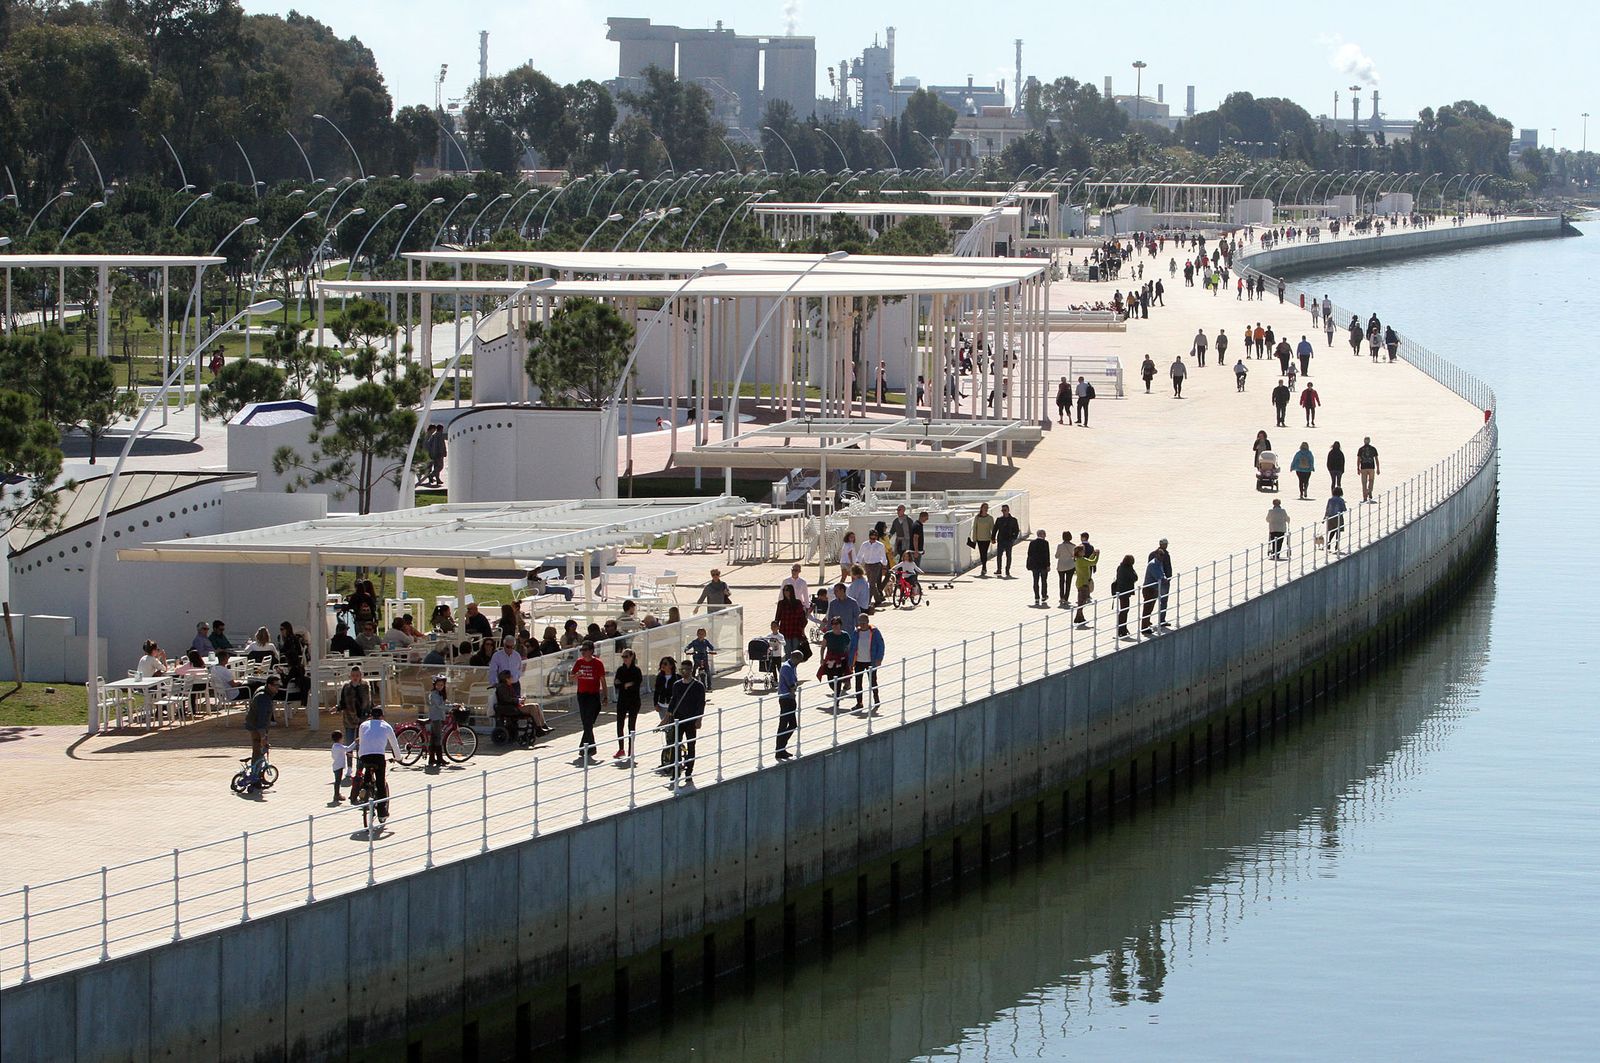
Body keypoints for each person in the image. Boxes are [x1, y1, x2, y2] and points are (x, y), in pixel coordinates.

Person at [352, 706, 402, 834]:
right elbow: (394, 744)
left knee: (368, 772)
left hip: (364, 756)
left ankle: (365, 788)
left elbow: (363, 740)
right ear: (382, 716)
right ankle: (381, 813)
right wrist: (398, 758)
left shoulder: (363, 725)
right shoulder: (386, 726)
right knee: (380, 784)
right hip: (379, 756)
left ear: (370, 716)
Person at [663, 658, 705, 783]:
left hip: (691, 720)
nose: (684, 672)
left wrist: (699, 719)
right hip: (678, 719)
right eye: (682, 670)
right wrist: (667, 717)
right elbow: (673, 701)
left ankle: (689, 772)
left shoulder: (698, 686)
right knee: (675, 745)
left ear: (691, 670)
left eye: (686, 670)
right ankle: (675, 773)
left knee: (691, 746)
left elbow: (701, 704)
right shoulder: (677, 685)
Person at [571, 641, 608, 761]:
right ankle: (589, 746)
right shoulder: (579, 662)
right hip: (582, 695)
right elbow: (571, 677)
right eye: (582, 650)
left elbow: (603, 680)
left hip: (593, 695)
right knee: (585, 721)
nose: (583, 652)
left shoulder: (598, 663)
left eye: (586, 649)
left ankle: (585, 746)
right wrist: (577, 674)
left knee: (589, 721)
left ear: (591, 650)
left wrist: (605, 696)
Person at [244, 675, 278, 783]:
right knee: (258, 751)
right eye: (275, 685)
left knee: (258, 751)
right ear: (269, 685)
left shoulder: (263, 691)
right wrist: (263, 736)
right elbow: (261, 719)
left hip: (255, 725)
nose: (278, 688)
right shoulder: (264, 698)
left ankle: (257, 774)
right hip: (256, 727)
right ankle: (256, 776)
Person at [612, 649, 643, 761]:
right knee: (620, 724)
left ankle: (631, 749)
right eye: (623, 656)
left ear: (631, 657)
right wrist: (626, 685)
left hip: (634, 701)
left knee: (631, 726)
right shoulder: (620, 670)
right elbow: (616, 684)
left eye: (626, 656)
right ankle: (621, 748)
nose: (624, 658)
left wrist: (625, 685)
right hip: (622, 700)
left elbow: (637, 683)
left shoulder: (636, 670)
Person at [850, 615, 884, 713]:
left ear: (868, 622)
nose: (862, 625)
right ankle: (859, 703)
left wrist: (879, 658)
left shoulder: (874, 632)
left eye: (864, 623)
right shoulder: (856, 632)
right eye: (860, 623)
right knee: (858, 683)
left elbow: (881, 645)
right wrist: (850, 662)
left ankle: (876, 699)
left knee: (873, 681)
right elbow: (852, 647)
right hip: (859, 661)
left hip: (871, 661)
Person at [775, 650, 803, 760]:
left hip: (790, 698)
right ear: (795, 658)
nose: (799, 663)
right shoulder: (787, 667)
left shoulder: (792, 666)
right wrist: (793, 688)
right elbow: (792, 685)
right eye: (799, 661)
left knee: (790, 724)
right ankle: (779, 749)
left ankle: (781, 748)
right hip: (786, 699)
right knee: (785, 724)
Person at [775, 584, 810, 659]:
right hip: (785, 630)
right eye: (784, 590)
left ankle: (793, 669)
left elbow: (803, 617)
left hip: (796, 630)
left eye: (787, 590)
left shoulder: (798, 603)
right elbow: (777, 617)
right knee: (787, 651)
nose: (785, 592)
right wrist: (775, 628)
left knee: (795, 652)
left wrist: (802, 629)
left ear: (791, 591)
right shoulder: (781, 603)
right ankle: (788, 669)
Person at [425, 674, 451, 769]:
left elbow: (443, 703)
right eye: (438, 685)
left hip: (437, 717)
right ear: (434, 685)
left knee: (433, 738)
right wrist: (451, 707)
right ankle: (439, 758)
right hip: (436, 718)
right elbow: (440, 706)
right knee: (438, 738)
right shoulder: (434, 694)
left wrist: (450, 704)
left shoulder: (439, 694)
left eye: (442, 685)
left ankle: (432, 758)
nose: (440, 686)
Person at [1073, 536, 1100, 627]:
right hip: (1083, 583)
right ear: (1079, 552)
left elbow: (1089, 560)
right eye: (1083, 551)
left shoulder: (1079, 559)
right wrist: (1097, 555)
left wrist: (1093, 554)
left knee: (1082, 600)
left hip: (1081, 582)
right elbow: (1093, 562)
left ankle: (1080, 617)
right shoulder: (1081, 560)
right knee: (1082, 601)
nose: (1084, 552)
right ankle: (1078, 618)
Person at [857, 530, 889, 605]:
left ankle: (872, 600)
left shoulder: (880, 545)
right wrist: (858, 563)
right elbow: (860, 554)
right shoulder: (864, 544)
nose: (873, 540)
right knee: (870, 583)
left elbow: (883, 556)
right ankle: (875, 598)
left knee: (871, 583)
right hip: (867, 565)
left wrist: (884, 565)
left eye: (874, 538)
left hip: (876, 565)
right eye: (871, 538)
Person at [1111, 555, 1138, 640]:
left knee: (1124, 610)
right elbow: (1135, 577)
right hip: (1125, 592)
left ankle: (1122, 628)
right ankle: (1121, 629)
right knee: (1124, 610)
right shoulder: (1128, 569)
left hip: (1120, 591)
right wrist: (1132, 569)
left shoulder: (1120, 567)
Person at [1150, 539, 1173, 628]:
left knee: (1163, 601)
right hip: (1157, 582)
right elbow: (1153, 568)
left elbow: (1168, 566)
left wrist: (1169, 577)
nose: (1166, 546)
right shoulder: (1154, 554)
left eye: (1167, 544)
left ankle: (1162, 620)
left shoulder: (1166, 554)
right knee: (1152, 602)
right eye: (1165, 544)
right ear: (1161, 544)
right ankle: (1147, 621)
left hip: (1165, 581)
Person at [993, 504, 1020, 578]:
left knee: (1008, 556)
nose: (1003, 512)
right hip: (1001, 540)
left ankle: (1007, 570)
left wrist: (1014, 538)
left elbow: (1016, 530)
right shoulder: (999, 519)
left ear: (1008, 510)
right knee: (999, 555)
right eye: (1002, 510)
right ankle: (999, 569)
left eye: (1005, 510)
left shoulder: (1013, 520)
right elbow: (995, 529)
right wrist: (993, 538)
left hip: (1009, 540)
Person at [1025, 528, 1051, 606]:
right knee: (1044, 581)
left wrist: (1029, 564)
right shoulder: (1045, 543)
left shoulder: (1032, 543)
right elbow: (1047, 555)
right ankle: (1044, 595)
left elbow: (1029, 554)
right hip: (1043, 565)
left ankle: (1036, 597)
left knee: (1035, 581)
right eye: (1044, 534)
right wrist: (1048, 565)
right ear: (1042, 535)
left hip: (1035, 566)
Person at [1140, 553, 1164, 637]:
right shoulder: (1153, 564)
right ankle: (1144, 627)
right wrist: (1163, 579)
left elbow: (1162, 573)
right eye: (1161, 555)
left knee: (1150, 608)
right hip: (1149, 589)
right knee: (1147, 608)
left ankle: (1147, 624)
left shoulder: (1159, 563)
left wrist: (1163, 577)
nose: (1162, 557)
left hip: (1155, 589)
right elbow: (1158, 576)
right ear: (1157, 555)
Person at [971, 502, 995, 576]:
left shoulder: (990, 518)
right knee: (982, 553)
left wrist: (993, 538)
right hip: (979, 538)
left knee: (985, 552)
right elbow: (974, 528)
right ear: (981, 508)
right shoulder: (977, 517)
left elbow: (992, 529)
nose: (986, 509)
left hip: (987, 538)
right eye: (985, 507)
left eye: (987, 507)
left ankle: (984, 567)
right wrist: (974, 538)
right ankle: (984, 566)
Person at [1356, 436, 1381, 501]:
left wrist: (1358, 468)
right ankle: (1369, 490)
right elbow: (1376, 459)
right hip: (1371, 467)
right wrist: (1378, 468)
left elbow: (1358, 459)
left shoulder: (1361, 449)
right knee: (1371, 480)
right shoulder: (1373, 449)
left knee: (1364, 482)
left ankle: (1364, 496)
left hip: (1363, 467)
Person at [1324, 487, 1348, 553]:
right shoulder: (1341, 500)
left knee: (1332, 531)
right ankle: (1337, 545)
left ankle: (1329, 542)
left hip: (1330, 517)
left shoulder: (1330, 500)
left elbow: (1327, 509)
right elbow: (1344, 509)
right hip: (1338, 517)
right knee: (1338, 531)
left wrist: (1324, 518)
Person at [330, 730, 351, 804]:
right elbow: (348, 748)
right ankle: (336, 795)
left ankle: (337, 794)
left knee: (337, 781)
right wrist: (355, 742)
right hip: (338, 766)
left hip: (336, 765)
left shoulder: (335, 746)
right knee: (337, 781)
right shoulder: (339, 747)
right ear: (340, 738)